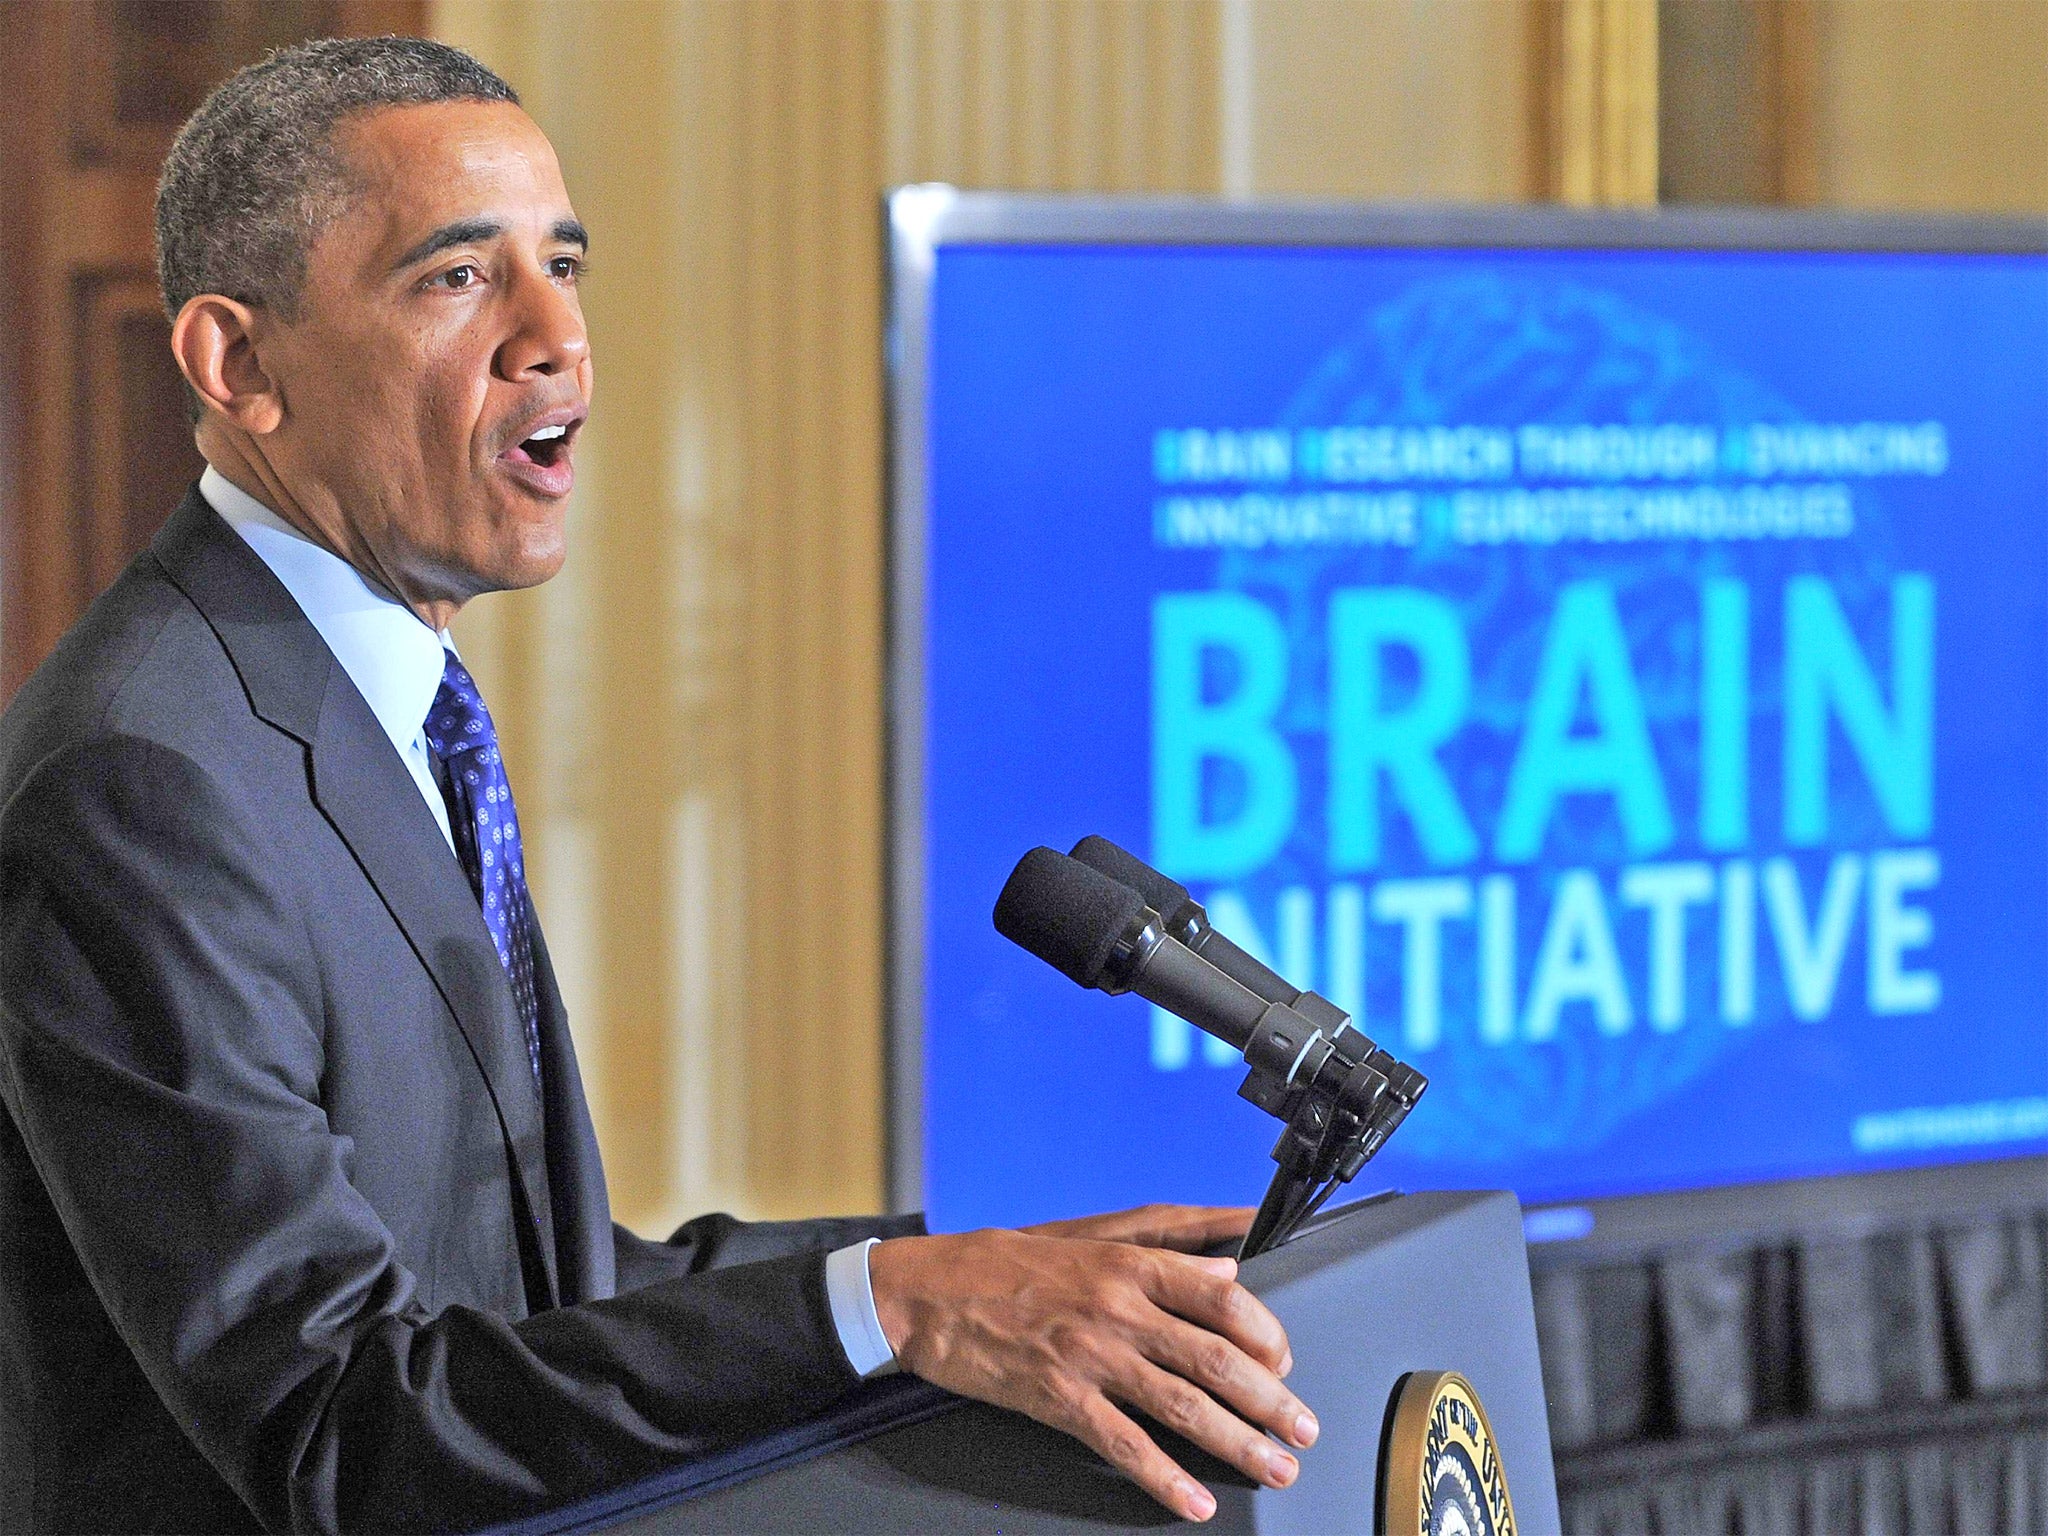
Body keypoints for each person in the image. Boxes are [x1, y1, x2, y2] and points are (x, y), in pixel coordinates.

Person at [0, 37, 1316, 1535]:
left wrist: (980, 1272)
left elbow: (548, 1291)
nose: (557, 337)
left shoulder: (382, 708)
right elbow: (340, 1424)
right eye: (457, 279)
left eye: (563, 266)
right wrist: (896, 1307)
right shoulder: (143, 782)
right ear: (240, 367)